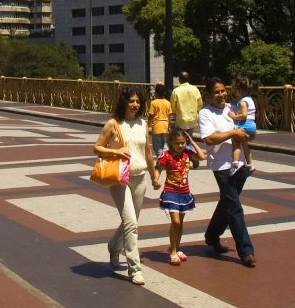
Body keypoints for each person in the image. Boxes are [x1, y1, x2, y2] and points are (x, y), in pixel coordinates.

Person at [94, 85, 159, 286]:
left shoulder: (142, 123)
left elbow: (147, 151)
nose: (135, 104)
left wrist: (154, 174)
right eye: (131, 101)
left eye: (138, 101)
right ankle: (135, 269)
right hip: (120, 179)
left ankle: (114, 246)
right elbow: (96, 148)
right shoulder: (113, 124)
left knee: (131, 223)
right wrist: (116, 152)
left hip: (140, 178)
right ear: (124, 102)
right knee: (131, 223)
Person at [198, 76, 257, 267]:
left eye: (223, 90)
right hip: (222, 167)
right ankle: (246, 251)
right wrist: (233, 133)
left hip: (239, 164)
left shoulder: (233, 108)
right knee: (234, 207)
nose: (221, 94)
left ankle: (212, 235)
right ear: (208, 95)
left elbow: (247, 131)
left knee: (227, 202)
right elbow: (209, 139)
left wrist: (248, 135)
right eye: (216, 92)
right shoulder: (206, 113)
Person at [156, 127, 205, 265]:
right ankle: (172, 250)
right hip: (170, 192)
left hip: (184, 193)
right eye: (178, 143)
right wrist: (155, 180)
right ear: (170, 143)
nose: (181, 145)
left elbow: (202, 156)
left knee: (180, 224)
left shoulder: (187, 153)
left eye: (183, 142)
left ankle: (177, 248)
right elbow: (157, 169)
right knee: (176, 222)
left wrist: (192, 141)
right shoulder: (166, 155)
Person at [170, 72, 203, 167]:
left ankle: (190, 157)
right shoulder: (195, 89)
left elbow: (172, 107)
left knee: (180, 141)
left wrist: (172, 120)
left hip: (181, 120)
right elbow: (200, 104)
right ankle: (192, 156)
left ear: (179, 79)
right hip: (192, 119)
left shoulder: (176, 91)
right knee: (189, 139)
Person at [227, 76, 258, 175]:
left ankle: (235, 164)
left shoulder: (243, 102)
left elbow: (244, 115)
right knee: (245, 146)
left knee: (236, 143)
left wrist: (233, 116)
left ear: (239, 89)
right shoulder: (250, 99)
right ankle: (250, 165)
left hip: (245, 124)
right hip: (252, 125)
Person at [147, 84, 173, 157]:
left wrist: (148, 125)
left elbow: (151, 116)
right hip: (165, 125)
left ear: (156, 93)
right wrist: (169, 127)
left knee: (157, 146)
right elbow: (169, 116)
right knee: (164, 143)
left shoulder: (154, 103)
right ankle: (166, 158)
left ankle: (161, 160)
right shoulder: (168, 103)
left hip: (157, 126)